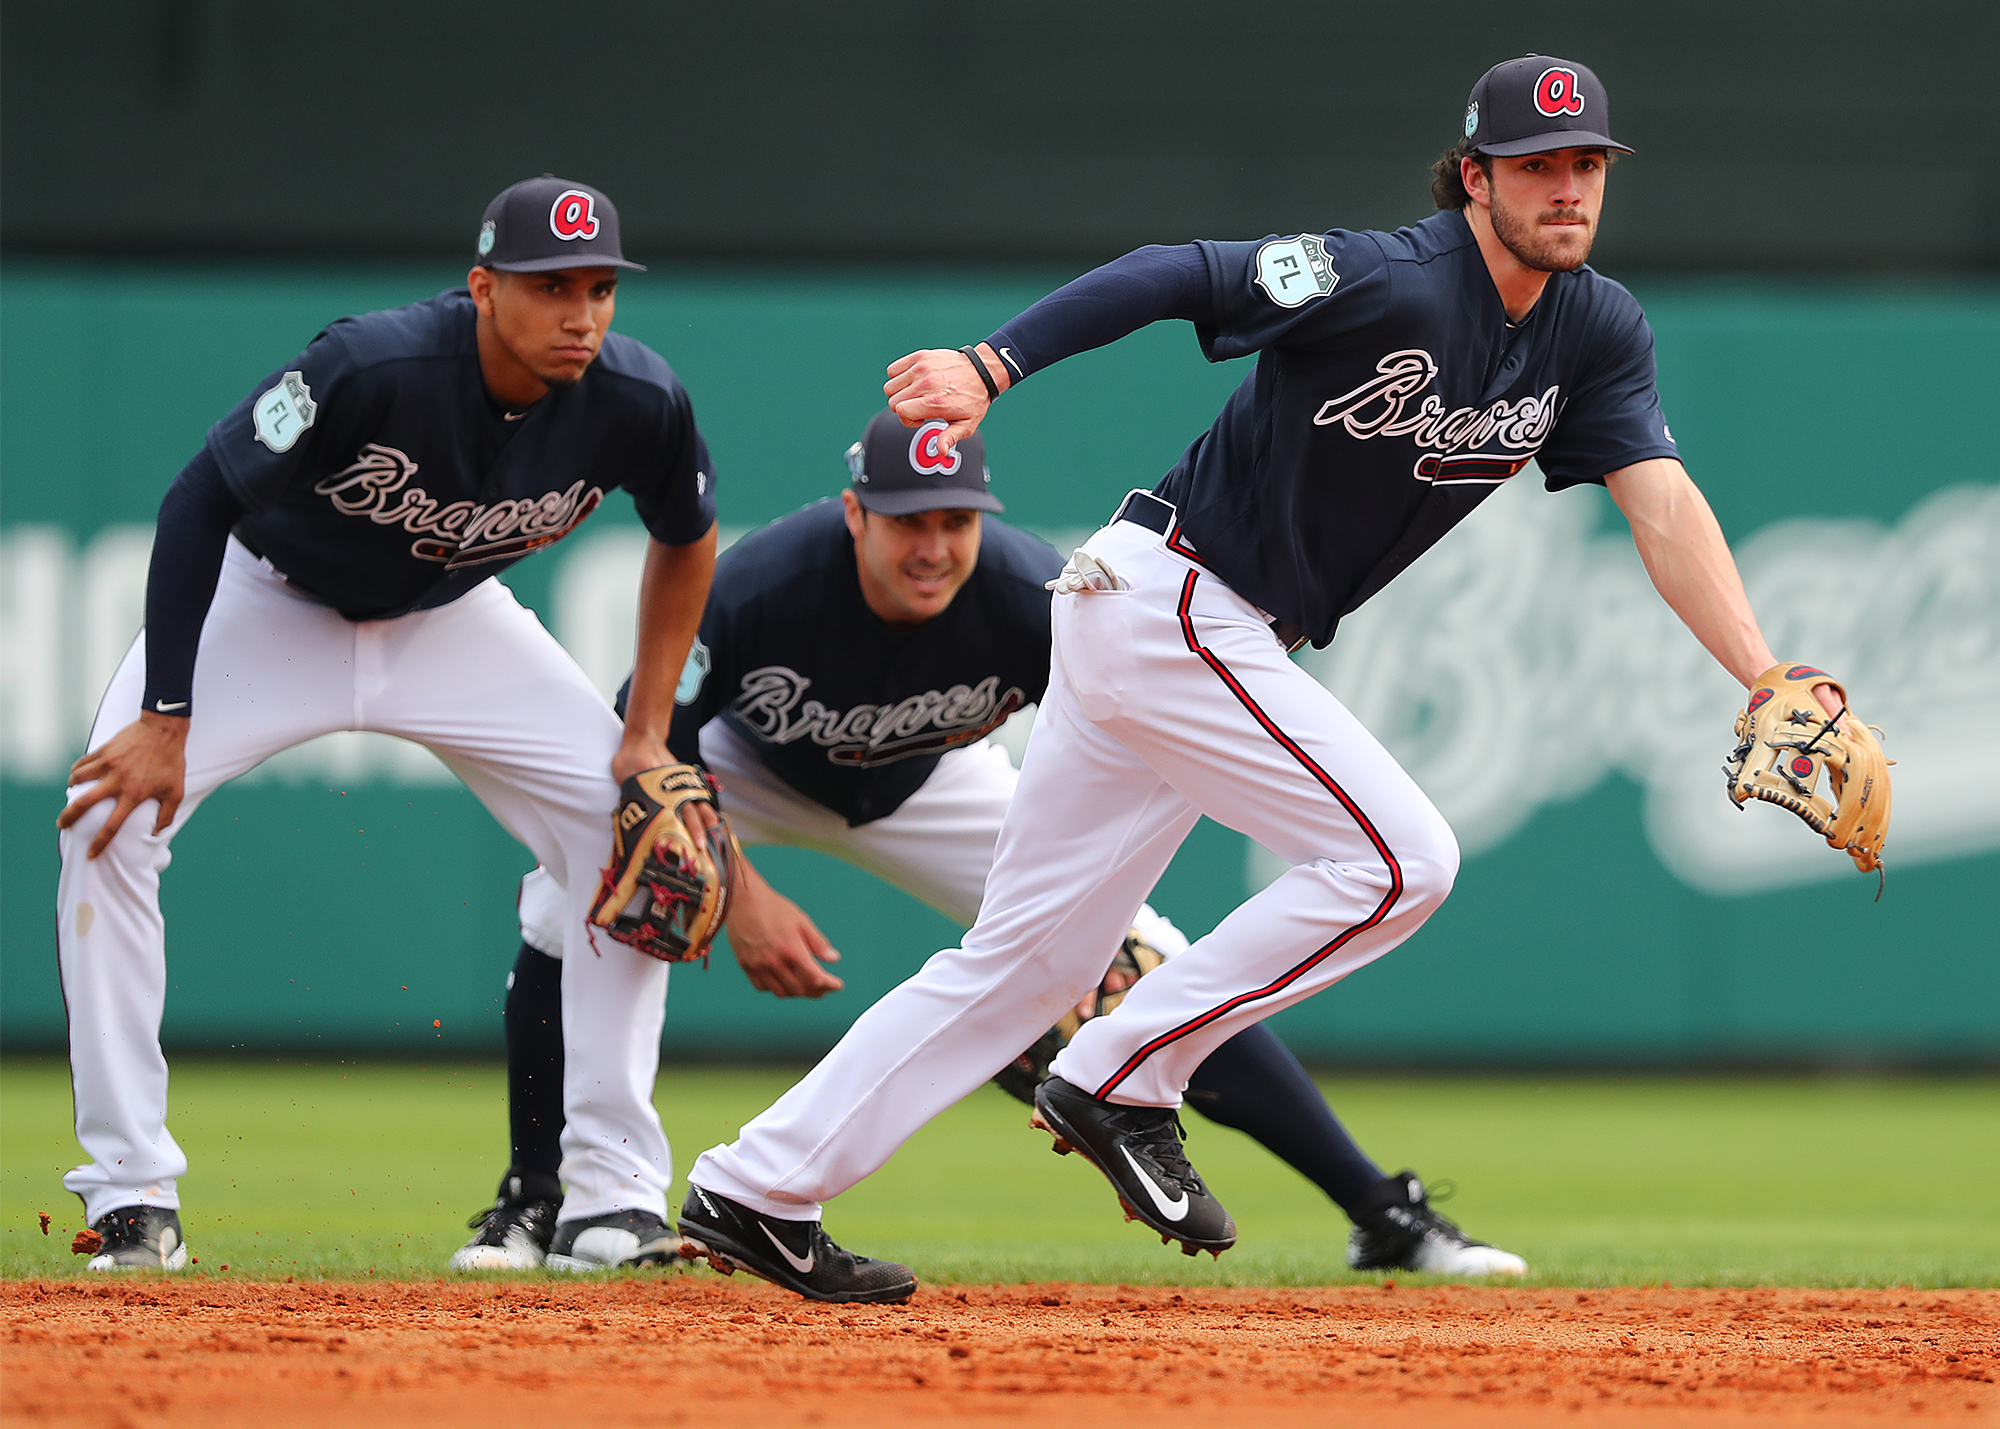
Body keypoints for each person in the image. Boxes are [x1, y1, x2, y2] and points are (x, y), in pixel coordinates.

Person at [674, 54, 1848, 1304]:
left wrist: (1761, 670)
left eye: (1585, 165)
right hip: (1177, 603)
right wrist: (989, 365)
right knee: (1398, 862)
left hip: (1176, 626)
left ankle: (757, 1187)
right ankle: (1122, 1073)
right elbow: (1178, 271)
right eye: (1535, 164)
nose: (1565, 187)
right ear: (1472, 177)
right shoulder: (1384, 275)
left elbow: (1657, 499)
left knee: (1022, 963)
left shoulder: (1594, 327)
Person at [451, 411, 1525, 1283]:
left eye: (953, 518)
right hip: (750, 775)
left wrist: (1052, 960)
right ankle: (555, 1200)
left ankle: (1377, 1212)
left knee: (1128, 960)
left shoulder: (1024, 594)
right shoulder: (763, 585)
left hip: (932, 783)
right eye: (906, 519)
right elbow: (648, 765)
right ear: (852, 514)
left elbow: (1122, 744)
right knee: (589, 881)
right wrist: (738, 891)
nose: (932, 545)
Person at [54, 176, 718, 1271]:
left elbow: (686, 535)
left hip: (449, 620)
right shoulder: (369, 366)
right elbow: (198, 497)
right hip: (269, 602)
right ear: (482, 287)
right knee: (103, 822)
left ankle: (610, 1198)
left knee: (631, 828)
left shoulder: (638, 399)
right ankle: (130, 1193)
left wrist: (646, 728)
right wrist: (167, 710)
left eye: (598, 287)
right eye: (550, 287)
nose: (581, 313)